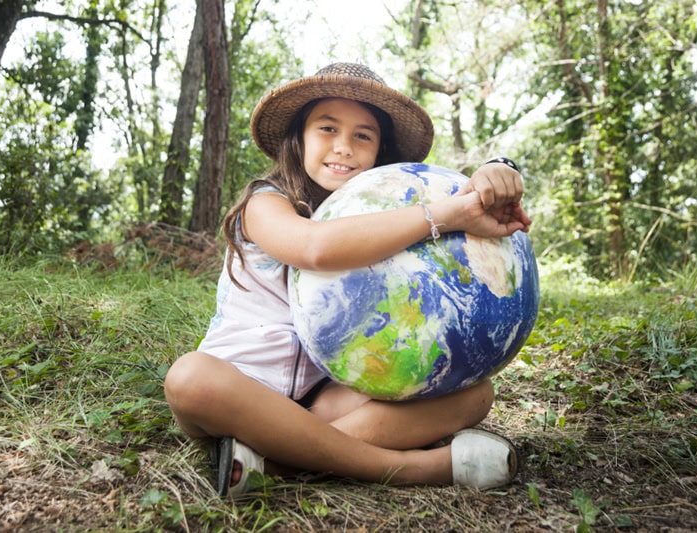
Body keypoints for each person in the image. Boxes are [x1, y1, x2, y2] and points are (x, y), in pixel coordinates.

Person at [164, 63, 532, 498]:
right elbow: (315, 248)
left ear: (381, 152)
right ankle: (412, 468)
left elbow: (448, 195)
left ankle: (274, 462)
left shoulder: (382, 214)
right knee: (189, 378)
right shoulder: (266, 203)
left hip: (325, 399)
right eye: (327, 128)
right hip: (238, 391)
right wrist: (443, 215)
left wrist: (496, 170)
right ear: (299, 139)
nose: (343, 147)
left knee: (475, 395)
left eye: (363, 135)